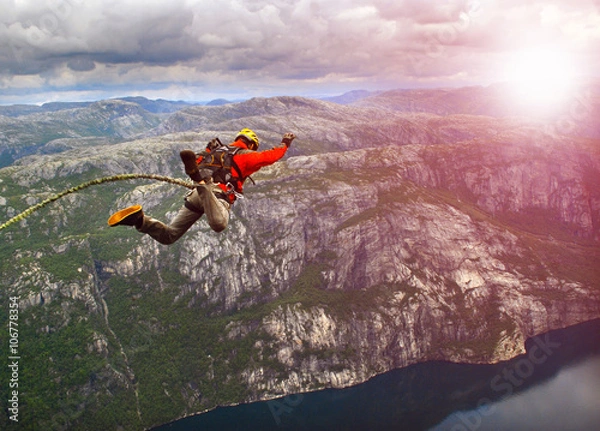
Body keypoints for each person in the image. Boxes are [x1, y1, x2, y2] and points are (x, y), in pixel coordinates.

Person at [108, 129, 295, 244]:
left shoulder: (215, 151)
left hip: (194, 197)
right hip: (215, 195)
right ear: (251, 144)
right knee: (219, 224)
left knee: (168, 236)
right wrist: (285, 143)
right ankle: (200, 182)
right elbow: (271, 157)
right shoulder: (246, 155)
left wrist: (206, 152)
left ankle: (139, 220)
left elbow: (196, 159)